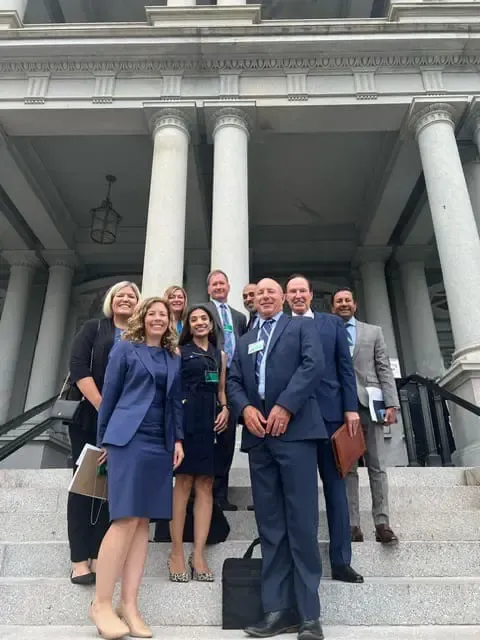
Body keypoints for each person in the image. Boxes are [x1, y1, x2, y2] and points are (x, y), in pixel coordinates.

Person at [228, 278, 326, 640]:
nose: (266, 296)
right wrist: (246, 409)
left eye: (273, 291)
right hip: (259, 440)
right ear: (253, 302)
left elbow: (312, 367)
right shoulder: (243, 341)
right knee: (271, 527)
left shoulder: (302, 327)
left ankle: (309, 615)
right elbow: (234, 381)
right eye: (261, 293)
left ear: (284, 298)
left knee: (301, 523)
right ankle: (277, 610)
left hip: (295, 434)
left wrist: (285, 405)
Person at [89, 297, 184, 640]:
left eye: (165, 314)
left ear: (170, 322)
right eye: (153, 313)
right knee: (126, 517)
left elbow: (174, 403)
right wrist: (104, 442)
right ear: (143, 318)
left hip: (160, 443)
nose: (159, 318)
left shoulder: (174, 357)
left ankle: (128, 605)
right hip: (127, 440)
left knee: (143, 522)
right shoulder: (125, 349)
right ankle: (100, 603)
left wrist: (178, 440)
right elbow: (109, 397)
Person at [285, 275, 363, 584]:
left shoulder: (331, 324)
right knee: (300, 495)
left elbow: (344, 367)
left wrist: (351, 409)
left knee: (336, 490)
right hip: (296, 421)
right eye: (292, 291)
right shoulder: (279, 326)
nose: (298, 295)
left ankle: (342, 561)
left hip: (331, 418)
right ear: (285, 297)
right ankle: (303, 563)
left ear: (311, 294)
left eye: (302, 290)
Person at [68, 280, 140, 585]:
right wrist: (103, 407)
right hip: (91, 419)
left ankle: (99, 554)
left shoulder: (139, 337)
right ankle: (78, 560)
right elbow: (78, 369)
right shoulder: (93, 329)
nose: (125, 299)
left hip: (126, 426)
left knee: (110, 490)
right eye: (120, 295)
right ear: (111, 301)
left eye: (132, 296)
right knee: (84, 488)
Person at [331, 288, 400, 546]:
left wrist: (391, 404)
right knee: (347, 466)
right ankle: (352, 524)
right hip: (341, 407)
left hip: (371, 405)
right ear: (332, 307)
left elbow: (383, 368)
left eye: (347, 300)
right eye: (339, 301)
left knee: (377, 465)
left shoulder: (373, 332)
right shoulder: (329, 332)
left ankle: (382, 523)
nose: (344, 304)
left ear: (355, 305)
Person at [168, 305, 229, 582]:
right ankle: (177, 552)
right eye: (194, 320)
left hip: (211, 421)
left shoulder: (220, 355)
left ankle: (199, 554)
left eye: (204, 318)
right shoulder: (180, 352)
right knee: (183, 482)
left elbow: (221, 389)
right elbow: (173, 389)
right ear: (189, 327)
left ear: (212, 323)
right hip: (186, 416)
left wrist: (225, 408)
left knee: (205, 483)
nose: (200, 323)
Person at [204, 269, 247, 511]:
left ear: (229, 287)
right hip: (207, 377)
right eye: (214, 284)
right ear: (208, 289)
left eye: (222, 284)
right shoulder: (201, 311)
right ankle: (200, 494)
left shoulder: (239, 317)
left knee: (227, 436)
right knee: (204, 434)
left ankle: (220, 494)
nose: (219, 287)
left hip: (231, 379)